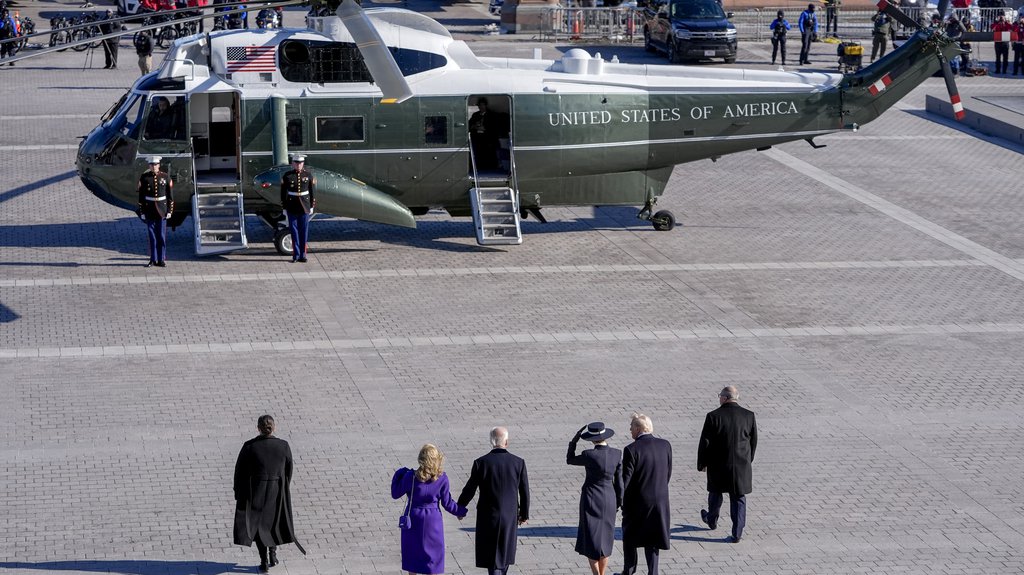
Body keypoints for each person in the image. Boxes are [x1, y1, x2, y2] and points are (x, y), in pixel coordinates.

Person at [233, 415, 306, 573]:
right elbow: (289, 470)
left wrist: (238, 492)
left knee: (260, 527)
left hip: (255, 492)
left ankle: (263, 561)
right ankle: (273, 555)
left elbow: (239, 472)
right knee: (273, 524)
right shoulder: (283, 446)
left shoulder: (249, 447)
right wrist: (283, 487)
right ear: (274, 427)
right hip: (276, 491)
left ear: (258, 428)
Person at [457, 427, 530, 575]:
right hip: (509, 516)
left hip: (488, 516)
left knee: (492, 555)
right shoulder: (518, 462)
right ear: (507, 442)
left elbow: (470, 489)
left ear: (491, 442)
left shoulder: (481, 463)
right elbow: (524, 492)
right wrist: (524, 514)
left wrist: (460, 507)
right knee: (505, 553)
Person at [391, 444, 468, 575]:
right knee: (433, 560)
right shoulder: (442, 478)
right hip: (433, 522)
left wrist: (399, 473)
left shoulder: (411, 477)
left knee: (413, 557)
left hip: (413, 520)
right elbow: (447, 503)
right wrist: (460, 512)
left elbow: (395, 493)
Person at [697, 386, 758, 544]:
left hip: (718, 465)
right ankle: (737, 533)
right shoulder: (749, 416)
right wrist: (747, 460)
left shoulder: (713, 416)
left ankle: (711, 520)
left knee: (715, 494)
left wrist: (702, 463)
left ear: (724, 398)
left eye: (720, 396)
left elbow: (705, 443)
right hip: (740, 466)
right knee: (738, 498)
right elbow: (753, 441)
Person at [617, 413, 671, 575]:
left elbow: (625, 480)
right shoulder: (665, 445)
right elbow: (667, 473)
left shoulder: (631, 449)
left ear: (639, 429)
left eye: (632, 426)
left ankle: (629, 570)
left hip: (637, 503)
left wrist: (619, 500)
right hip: (660, 501)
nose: (630, 430)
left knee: (630, 538)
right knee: (653, 539)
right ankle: (652, 572)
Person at [567, 423, 622, 575]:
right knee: (606, 539)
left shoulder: (588, 455)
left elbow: (569, 459)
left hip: (590, 499)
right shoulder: (617, 454)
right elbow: (620, 482)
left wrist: (574, 441)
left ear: (592, 439)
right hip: (609, 499)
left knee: (592, 539)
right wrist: (620, 501)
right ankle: (602, 574)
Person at [136, 156, 173, 267]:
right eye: (151, 164)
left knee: (161, 236)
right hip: (149, 209)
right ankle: (153, 259)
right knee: (152, 236)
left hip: (161, 209)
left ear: (159, 165)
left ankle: (161, 259)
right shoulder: (144, 177)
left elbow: (170, 195)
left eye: (155, 164)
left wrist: (169, 210)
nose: (154, 166)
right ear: (149, 166)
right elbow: (141, 196)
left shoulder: (165, 177)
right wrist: (142, 211)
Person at [279, 154, 316, 263]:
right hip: (292, 205)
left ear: (303, 163)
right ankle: (296, 255)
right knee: (294, 231)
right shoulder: (287, 176)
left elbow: (312, 191)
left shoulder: (308, 175)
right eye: (296, 163)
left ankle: (303, 255)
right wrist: (284, 207)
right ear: (292, 164)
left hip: (304, 206)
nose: (298, 165)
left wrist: (312, 206)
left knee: (303, 231)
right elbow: (283, 193)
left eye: (300, 163)